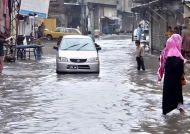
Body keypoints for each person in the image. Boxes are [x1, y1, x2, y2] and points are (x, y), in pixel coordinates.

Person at [158, 34, 186, 115]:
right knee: (178, 97)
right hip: (176, 82)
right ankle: (181, 113)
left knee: (167, 97)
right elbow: (179, 69)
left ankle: (165, 114)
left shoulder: (166, 53)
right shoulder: (177, 55)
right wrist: (184, 63)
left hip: (167, 81)